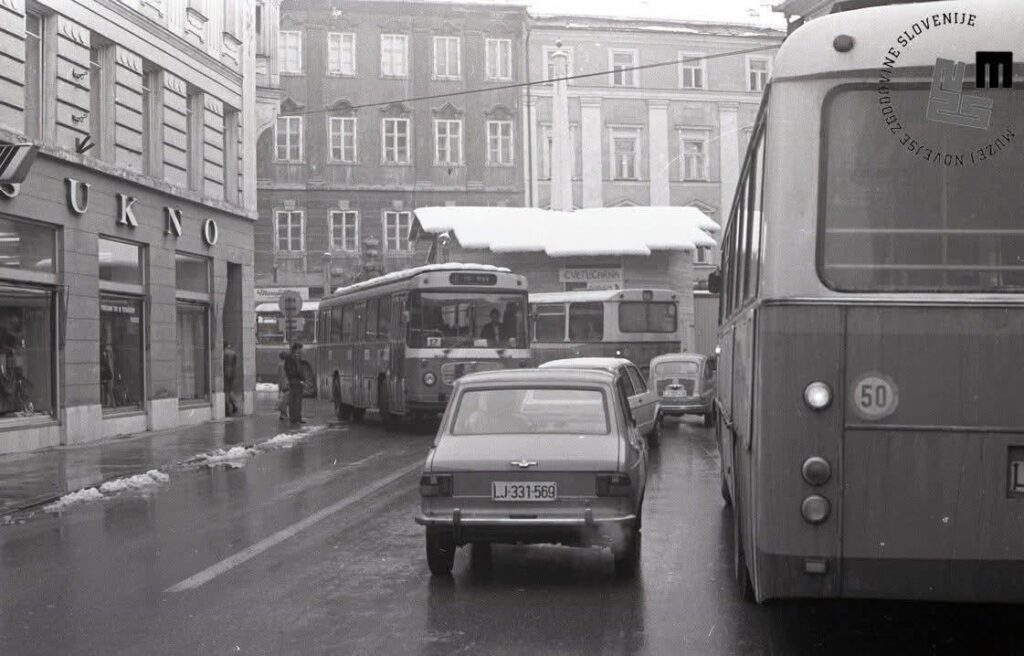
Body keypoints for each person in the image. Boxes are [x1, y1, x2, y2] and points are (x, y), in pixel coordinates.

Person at [284, 342, 306, 426]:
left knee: (292, 400)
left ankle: (293, 418)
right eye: (300, 349)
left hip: (291, 381)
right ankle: (297, 418)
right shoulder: (296, 357)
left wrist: (289, 378)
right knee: (297, 400)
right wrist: (303, 379)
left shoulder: (288, 358)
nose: (300, 351)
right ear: (296, 349)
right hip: (297, 381)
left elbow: (286, 369)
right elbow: (299, 370)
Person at [223, 341, 239, 416]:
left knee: (226, 391)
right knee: (229, 391)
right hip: (232, 373)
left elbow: (222, 363)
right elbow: (235, 363)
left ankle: (227, 408)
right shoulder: (233, 353)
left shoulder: (223, 353)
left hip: (225, 373)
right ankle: (233, 406)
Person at [276, 351, 289, 421]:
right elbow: (283, 375)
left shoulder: (280, 364)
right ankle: (283, 414)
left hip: (282, 383)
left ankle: (283, 414)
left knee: (282, 399)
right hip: (285, 384)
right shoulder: (284, 365)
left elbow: (279, 376)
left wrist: (280, 386)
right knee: (285, 400)